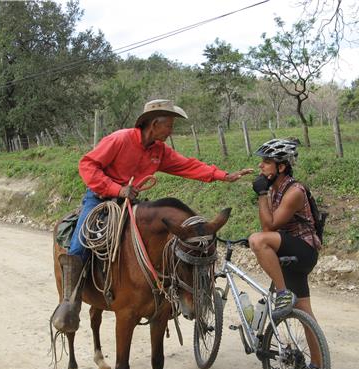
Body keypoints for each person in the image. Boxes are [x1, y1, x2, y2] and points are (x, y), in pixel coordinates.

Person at [53, 99, 253, 333]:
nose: (171, 131)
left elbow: (187, 166)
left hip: (131, 202)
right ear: (154, 124)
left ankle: (158, 293)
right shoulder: (120, 139)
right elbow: (87, 165)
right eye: (169, 125)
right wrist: (116, 189)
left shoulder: (159, 150)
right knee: (79, 244)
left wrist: (223, 175)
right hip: (100, 198)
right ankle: (70, 302)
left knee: (158, 242)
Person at [248, 138, 322, 369]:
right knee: (304, 311)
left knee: (258, 240)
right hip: (290, 251)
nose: (261, 166)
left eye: (267, 162)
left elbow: (269, 227)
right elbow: (268, 225)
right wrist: (266, 193)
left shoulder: (294, 191)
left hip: (304, 250)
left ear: (281, 167)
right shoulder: (276, 189)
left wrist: (261, 194)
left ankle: (282, 294)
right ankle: (318, 367)